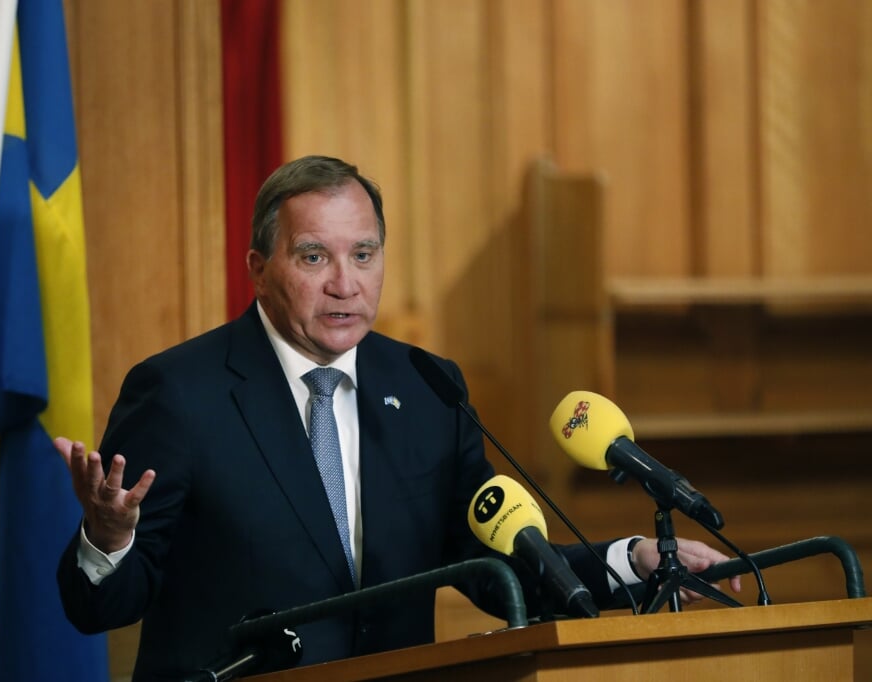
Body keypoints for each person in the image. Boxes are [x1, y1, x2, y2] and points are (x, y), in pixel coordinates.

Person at [55, 155, 741, 681]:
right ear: (259, 269)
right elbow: (100, 608)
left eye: (364, 254)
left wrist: (634, 561)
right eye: (314, 256)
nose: (345, 284)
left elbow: (492, 561)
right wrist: (108, 537)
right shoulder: (179, 393)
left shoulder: (424, 387)